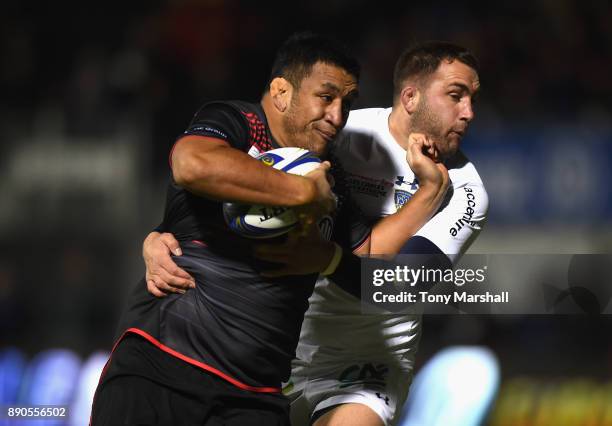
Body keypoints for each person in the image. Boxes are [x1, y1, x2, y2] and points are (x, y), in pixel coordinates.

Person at [92, 33, 448, 426]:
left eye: (347, 104)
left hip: (255, 397)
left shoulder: (331, 179)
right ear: (281, 92)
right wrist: (300, 192)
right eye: (326, 97)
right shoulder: (238, 123)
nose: (337, 116)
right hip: (163, 366)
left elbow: (369, 252)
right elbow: (191, 164)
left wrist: (430, 190)